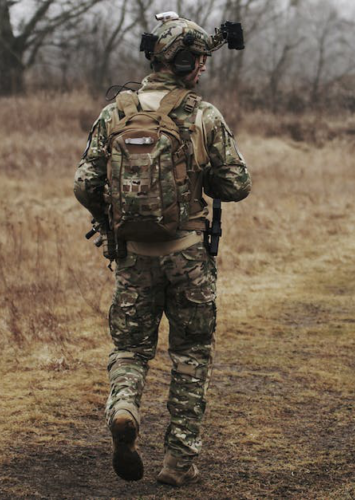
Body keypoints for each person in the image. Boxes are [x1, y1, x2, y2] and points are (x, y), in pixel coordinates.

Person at [74, 11, 251, 486]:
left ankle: (126, 406)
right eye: (201, 61)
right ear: (188, 63)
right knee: (191, 355)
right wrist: (201, 176)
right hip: (189, 255)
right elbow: (237, 185)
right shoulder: (202, 115)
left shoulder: (116, 111)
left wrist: (110, 225)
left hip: (133, 256)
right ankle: (179, 462)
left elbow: (84, 182)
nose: (205, 69)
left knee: (130, 348)